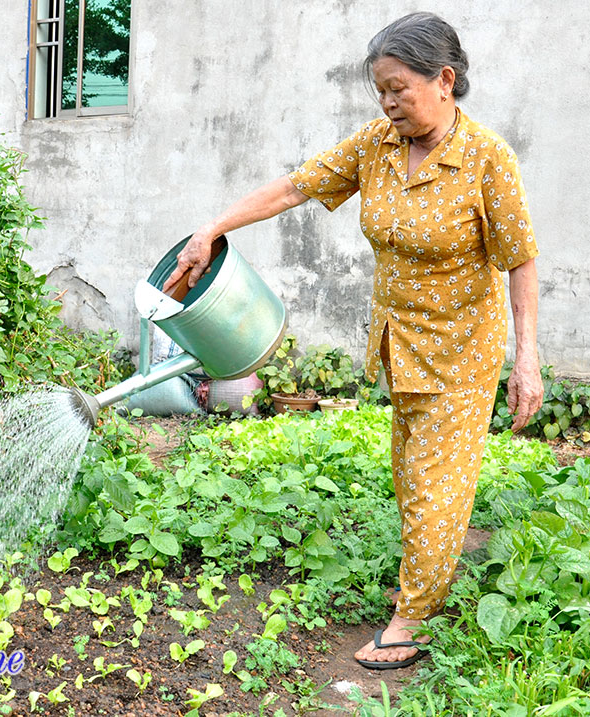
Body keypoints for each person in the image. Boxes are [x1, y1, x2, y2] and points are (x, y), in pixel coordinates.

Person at [164, 12, 542, 670]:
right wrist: (213, 227)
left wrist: (527, 359)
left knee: (434, 486)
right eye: (379, 91)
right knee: (412, 478)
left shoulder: (486, 158)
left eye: (398, 88)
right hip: (399, 345)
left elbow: (520, 260)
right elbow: (294, 186)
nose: (388, 102)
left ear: (444, 80)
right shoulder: (377, 145)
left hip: (460, 353)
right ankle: (432, 566)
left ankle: (413, 617)